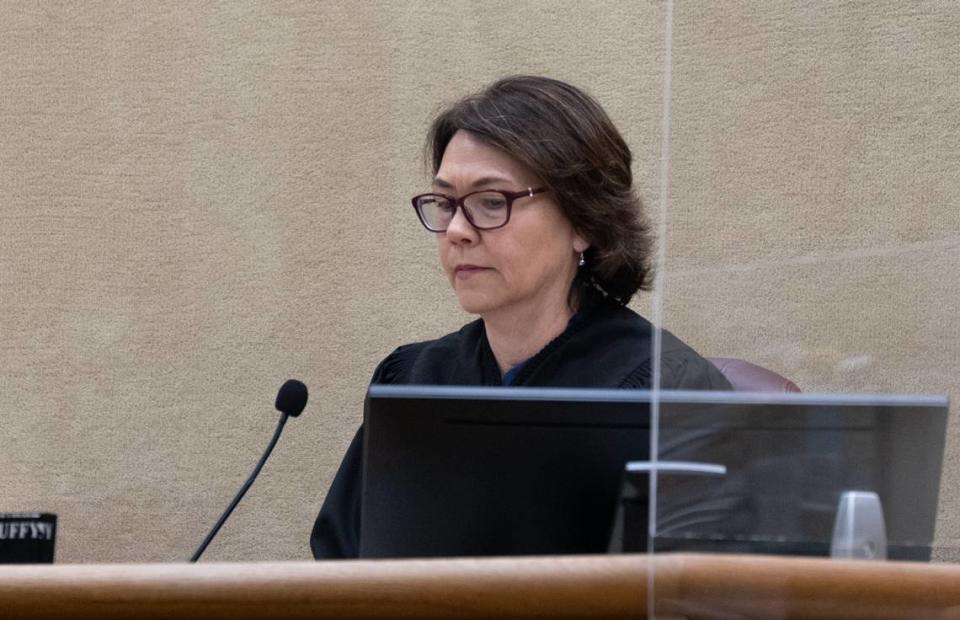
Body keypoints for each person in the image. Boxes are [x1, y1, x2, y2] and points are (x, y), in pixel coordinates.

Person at [311, 76, 731, 559]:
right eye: (445, 203)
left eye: (492, 202)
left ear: (584, 223)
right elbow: (341, 566)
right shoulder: (413, 381)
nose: (457, 230)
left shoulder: (667, 390)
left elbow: (701, 591)